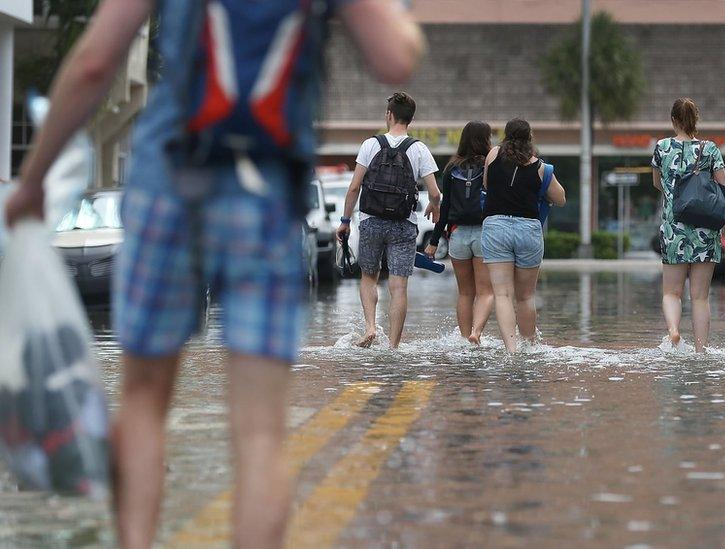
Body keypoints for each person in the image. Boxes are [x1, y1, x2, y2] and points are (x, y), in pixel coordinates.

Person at [4, 1, 424, 547]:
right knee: (260, 433)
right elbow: (398, 55)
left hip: (168, 185)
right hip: (265, 197)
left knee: (144, 402)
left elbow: (93, 61)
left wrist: (33, 179)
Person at [338, 92, 441, 349]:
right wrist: (435, 208)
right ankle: (393, 345)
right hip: (404, 225)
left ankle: (371, 327)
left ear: (389, 115)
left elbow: (354, 187)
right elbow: (435, 192)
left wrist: (345, 221)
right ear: (411, 119)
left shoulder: (370, 145)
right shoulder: (419, 149)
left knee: (369, 277)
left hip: (371, 221)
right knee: (398, 285)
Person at [651, 98, 725, 353]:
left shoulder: (662, 148)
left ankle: (674, 331)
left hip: (673, 228)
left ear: (673, 120)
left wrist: (672, 190)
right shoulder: (710, 149)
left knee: (671, 292)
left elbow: (657, 184)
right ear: (695, 120)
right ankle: (701, 351)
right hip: (706, 231)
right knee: (700, 296)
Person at [481, 118, 566, 353]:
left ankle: (512, 349)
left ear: (506, 136)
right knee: (526, 297)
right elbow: (561, 198)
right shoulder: (540, 167)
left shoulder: (493, 155)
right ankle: (530, 346)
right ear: (530, 138)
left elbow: (487, 185)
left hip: (496, 227)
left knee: (502, 293)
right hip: (528, 229)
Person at [423, 121, 494, 345]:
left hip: (458, 235)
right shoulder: (490, 166)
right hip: (484, 233)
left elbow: (444, 209)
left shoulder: (451, 168)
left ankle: (464, 340)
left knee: (465, 293)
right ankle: (477, 333)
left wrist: (433, 241)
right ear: (485, 139)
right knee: (485, 292)